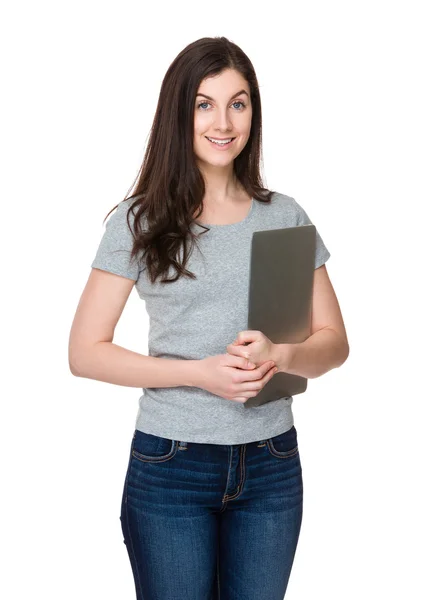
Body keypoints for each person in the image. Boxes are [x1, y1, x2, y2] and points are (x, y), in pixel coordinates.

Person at [69, 36, 349, 600]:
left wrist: (285, 355)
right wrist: (200, 373)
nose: (223, 121)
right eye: (204, 103)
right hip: (172, 464)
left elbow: (335, 342)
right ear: (180, 112)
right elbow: (85, 351)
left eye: (238, 103)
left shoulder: (283, 216)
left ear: (253, 113)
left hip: (271, 463)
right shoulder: (139, 220)